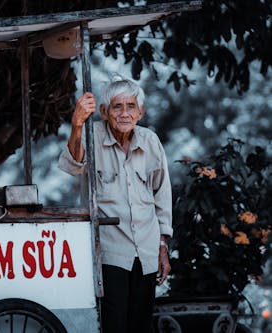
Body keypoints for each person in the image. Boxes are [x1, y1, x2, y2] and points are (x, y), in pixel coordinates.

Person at [58, 76, 172, 333]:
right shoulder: (92, 134)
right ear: (104, 112)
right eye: (117, 107)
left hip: (146, 248)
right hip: (109, 250)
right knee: (114, 323)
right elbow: (74, 165)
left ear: (140, 112)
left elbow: (162, 196)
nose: (124, 113)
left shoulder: (151, 141)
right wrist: (77, 125)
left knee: (141, 324)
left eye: (131, 106)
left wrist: (162, 245)